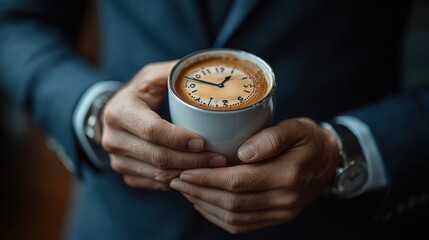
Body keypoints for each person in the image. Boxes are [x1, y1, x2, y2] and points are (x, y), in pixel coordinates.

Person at [0, 0, 428, 239]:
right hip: (125, 219)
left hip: (330, 221)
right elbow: (14, 22)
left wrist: (347, 149)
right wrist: (94, 111)